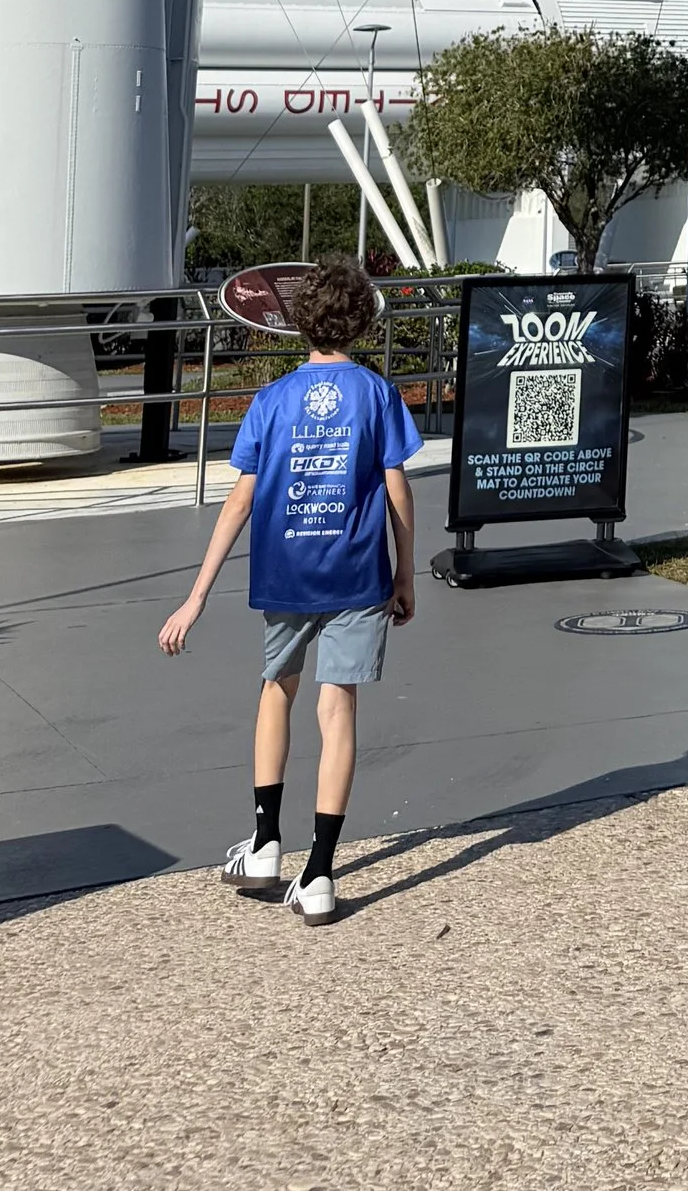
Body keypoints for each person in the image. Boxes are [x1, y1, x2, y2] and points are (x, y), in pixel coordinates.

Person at [157, 255, 421, 926]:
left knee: (277, 687)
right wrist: (405, 571)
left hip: (287, 573)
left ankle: (266, 840)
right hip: (357, 575)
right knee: (339, 714)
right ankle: (322, 870)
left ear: (298, 322)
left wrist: (196, 595)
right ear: (361, 321)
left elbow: (238, 502)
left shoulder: (271, 401)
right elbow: (396, 489)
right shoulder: (375, 393)